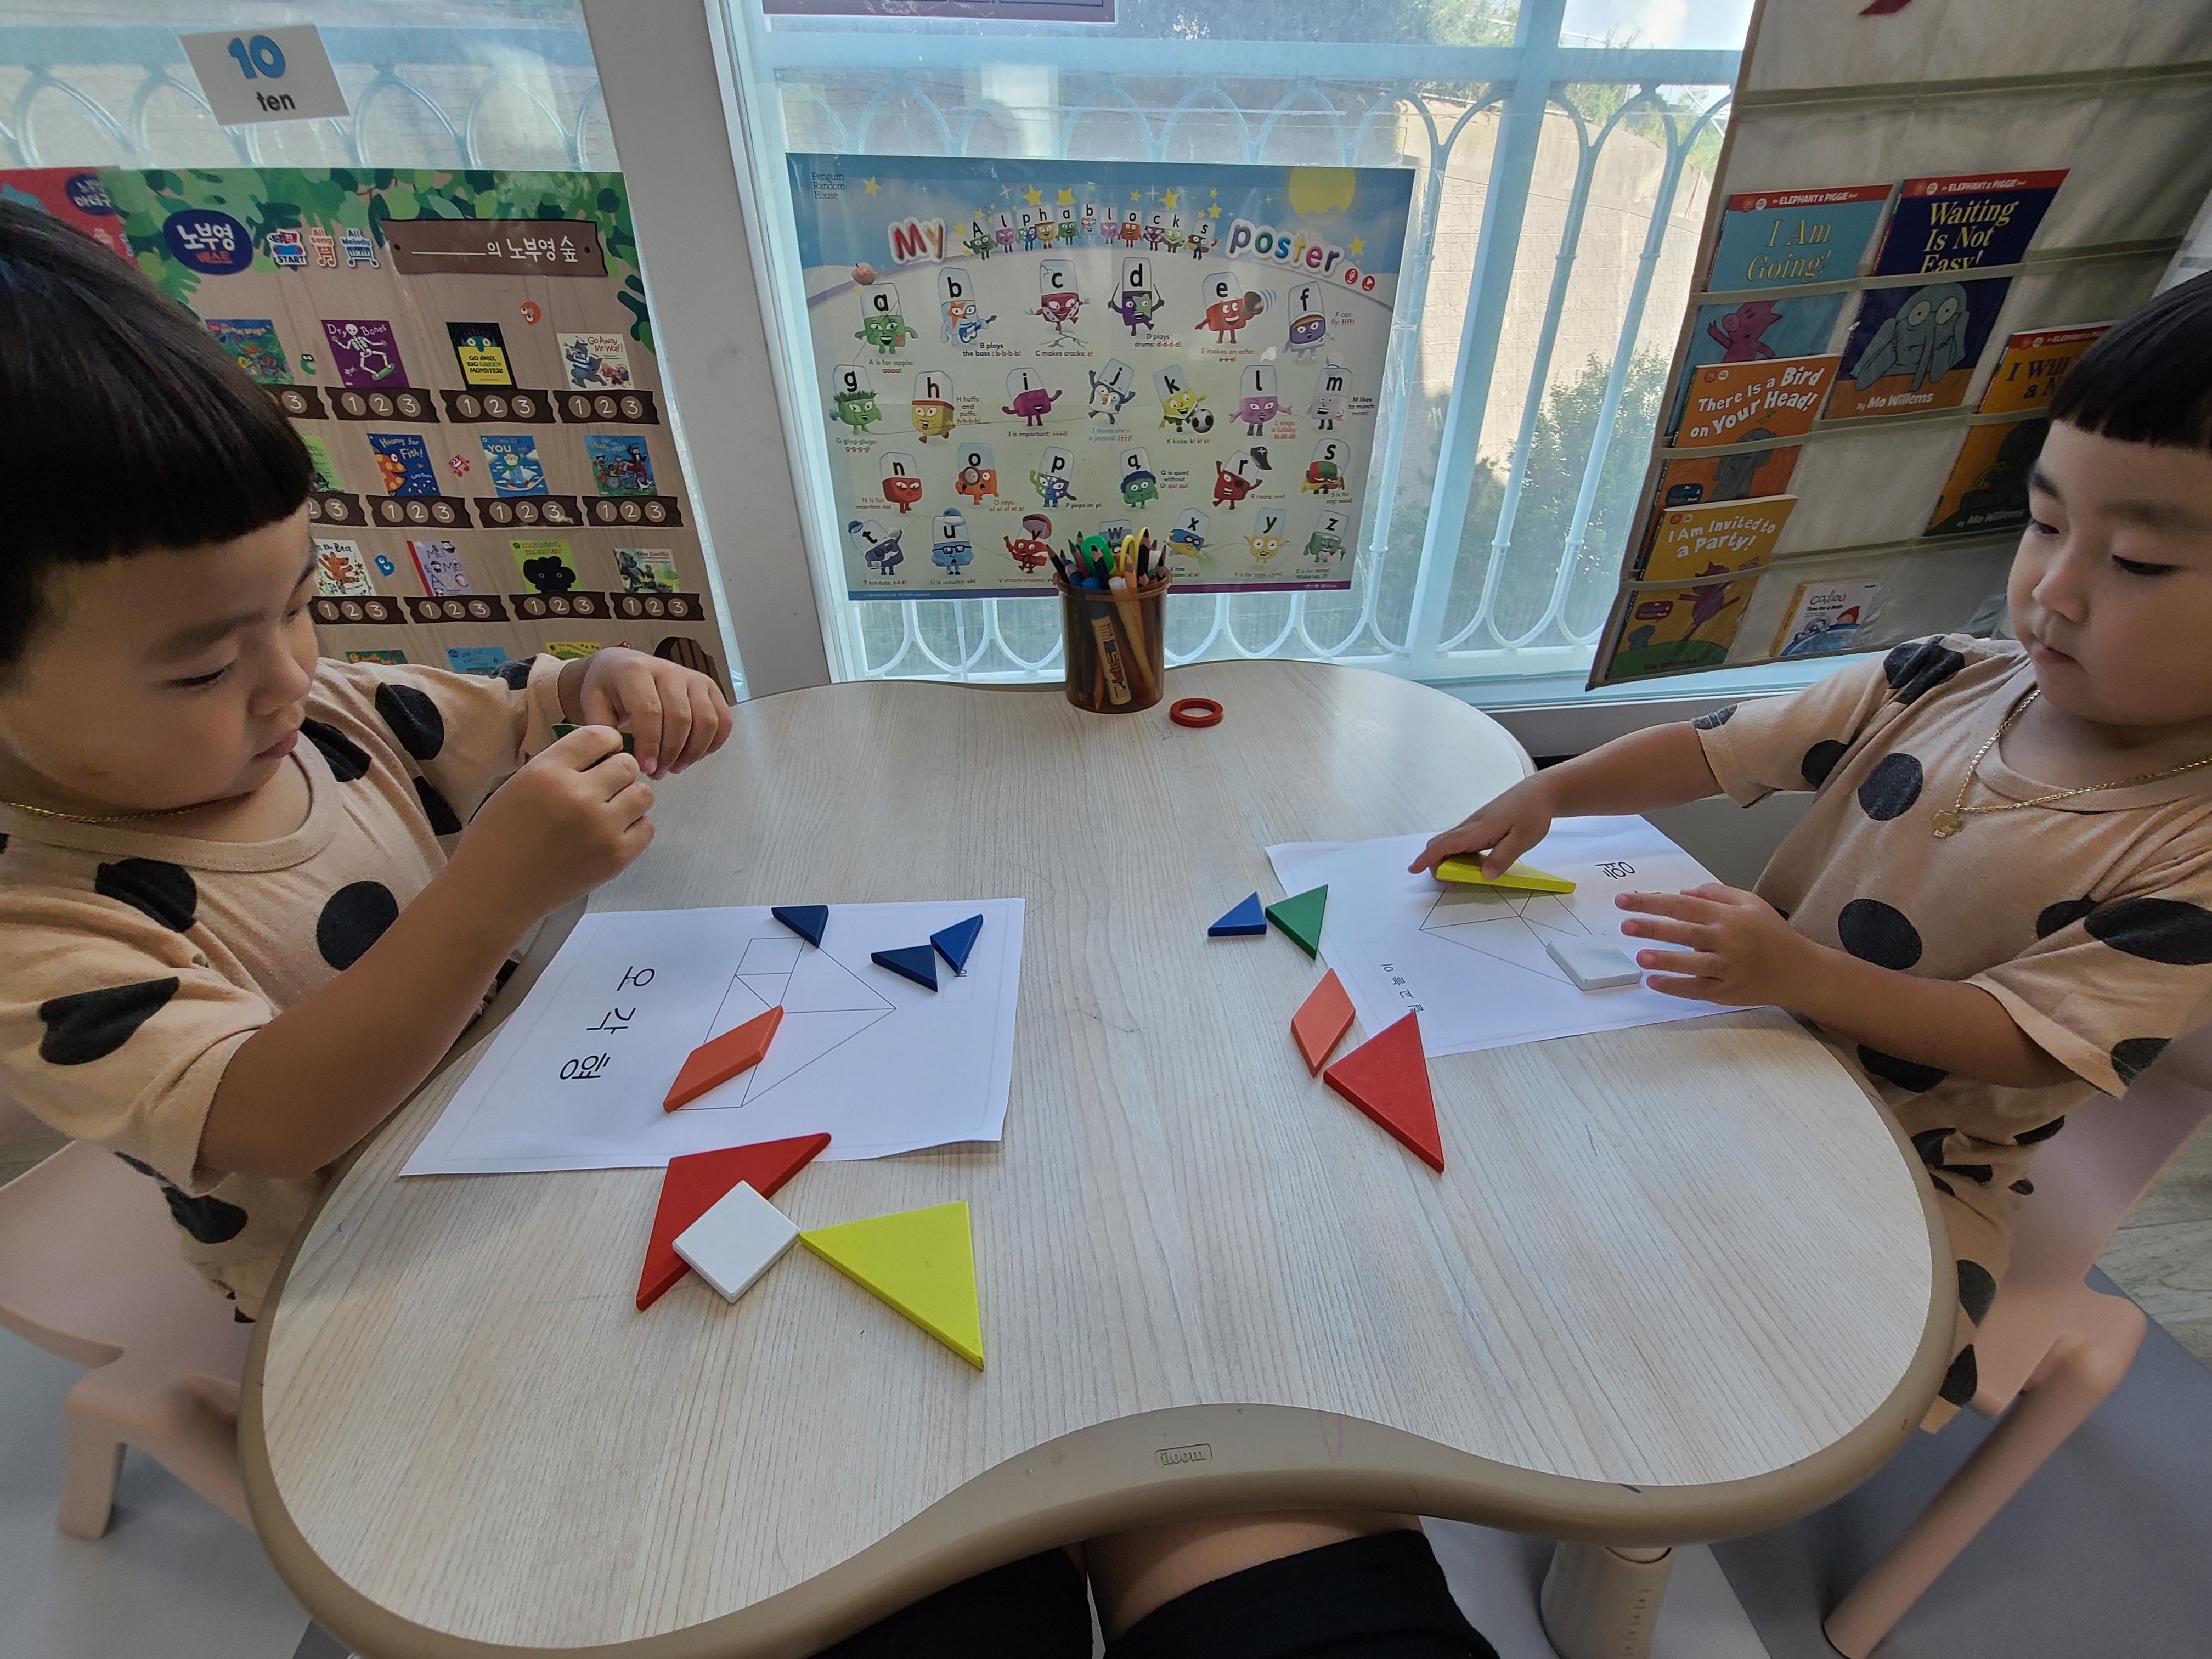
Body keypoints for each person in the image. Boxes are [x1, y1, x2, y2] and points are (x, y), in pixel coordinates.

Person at [0, 204, 1498, 1658]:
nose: (285, 678)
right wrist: (491, 892)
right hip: (406, 1274)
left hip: (575, 1133)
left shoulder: (327, 711)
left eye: (301, 603)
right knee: (816, 1473)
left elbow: (513, 710)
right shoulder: (42, 923)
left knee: (959, 1296)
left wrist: (602, 681)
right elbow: (274, 1117)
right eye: (200, 668)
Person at [1416, 273, 2212, 1429]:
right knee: (1522, 1177)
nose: (2055, 589)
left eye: (2136, 562)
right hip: (1754, 1047)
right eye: (2046, 524)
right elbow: (1714, 747)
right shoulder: (1938, 677)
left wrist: (1801, 974)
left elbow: (2029, 1042)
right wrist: (1553, 792)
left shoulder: (2191, 851)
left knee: (1751, 1370)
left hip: (1917, 1166)